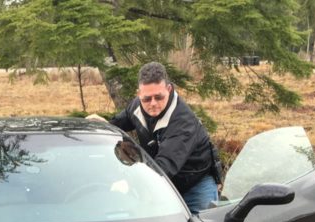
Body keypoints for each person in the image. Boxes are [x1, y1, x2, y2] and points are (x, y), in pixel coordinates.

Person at [90, 62, 224, 213]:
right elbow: (122, 121)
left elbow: (164, 167)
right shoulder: (137, 106)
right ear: (138, 94)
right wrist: (104, 125)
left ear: (168, 89)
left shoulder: (182, 122)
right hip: (164, 182)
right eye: (147, 99)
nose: (153, 103)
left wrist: (128, 183)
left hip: (196, 185)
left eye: (159, 97)